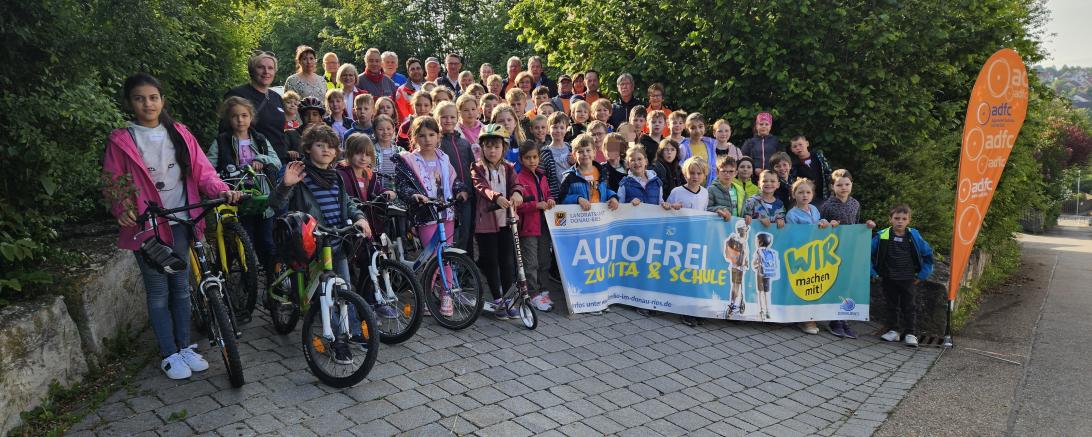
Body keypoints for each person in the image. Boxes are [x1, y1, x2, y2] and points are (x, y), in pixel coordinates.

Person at [103, 73, 241, 380]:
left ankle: (185, 346)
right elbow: (113, 180)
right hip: (147, 227)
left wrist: (220, 189)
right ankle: (168, 352)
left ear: (162, 100)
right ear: (129, 103)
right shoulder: (122, 139)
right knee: (157, 292)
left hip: (181, 220)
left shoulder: (179, 132)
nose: (147, 104)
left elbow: (203, 170)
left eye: (153, 97)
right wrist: (121, 206)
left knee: (180, 289)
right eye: (140, 98)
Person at [271, 125, 372, 363]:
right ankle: (337, 341)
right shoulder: (299, 174)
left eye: (331, 146)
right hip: (310, 242)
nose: (326, 150)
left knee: (345, 290)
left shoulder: (336, 176)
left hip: (337, 240)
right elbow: (275, 204)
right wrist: (285, 185)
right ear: (307, 148)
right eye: (319, 145)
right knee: (323, 294)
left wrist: (359, 217)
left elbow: (347, 203)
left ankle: (353, 332)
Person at [392, 116, 469, 316]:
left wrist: (460, 190)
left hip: (446, 213)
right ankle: (427, 292)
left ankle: (446, 294)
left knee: (447, 255)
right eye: (422, 135)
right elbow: (402, 185)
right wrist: (413, 195)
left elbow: (453, 179)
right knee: (432, 256)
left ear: (438, 136)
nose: (427, 139)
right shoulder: (409, 160)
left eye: (432, 135)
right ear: (415, 137)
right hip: (426, 214)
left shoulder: (443, 157)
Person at [207, 97, 282, 271]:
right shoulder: (221, 141)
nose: (240, 120)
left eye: (244, 115)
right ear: (228, 118)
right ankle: (245, 277)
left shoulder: (260, 139)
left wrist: (261, 159)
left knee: (267, 242)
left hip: (262, 196)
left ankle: (272, 282)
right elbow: (208, 168)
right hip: (236, 198)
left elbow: (276, 161)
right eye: (235, 116)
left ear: (251, 117)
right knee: (242, 241)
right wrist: (217, 180)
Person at [470, 124, 526, 319]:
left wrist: (518, 193)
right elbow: (481, 187)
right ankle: (497, 298)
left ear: (504, 148)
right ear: (482, 148)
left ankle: (509, 298)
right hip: (486, 222)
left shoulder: (508, 168)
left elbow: (516, 184)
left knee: (507, 261)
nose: (492, 150)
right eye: (488, 146)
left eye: (496, 146)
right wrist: (496, 197)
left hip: (507, 221)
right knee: (491, 260)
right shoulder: (477, 167)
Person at [820, 169, 875, 338]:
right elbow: (820, 229)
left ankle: (844, 318)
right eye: (839, 185)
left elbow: (855, 224)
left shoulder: (855, 204)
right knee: (835, 282)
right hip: (833, 250)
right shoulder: (827, 206)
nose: (843, 187)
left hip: (849, 249)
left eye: (847, 184)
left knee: (847, 282)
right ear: (832, 187)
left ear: (851, 185)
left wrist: (866, 227)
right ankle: (834, 319)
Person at [872, 204, 934, 348]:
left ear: (909, 220)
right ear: (890, 219)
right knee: (891, 305)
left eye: (904, 219)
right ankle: (893, 330)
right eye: (896, 218)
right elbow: (868, 253)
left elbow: (928, 255)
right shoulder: (882, 235)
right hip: (888, 277)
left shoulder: (914, 235)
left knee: (909, 306)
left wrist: (923, 275)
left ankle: (910, 333)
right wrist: (873, 273)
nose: (900, 221)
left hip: (908, 278)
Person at [662, 156, 710, 326]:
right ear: (685, 173)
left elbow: (705, 214)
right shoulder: (676, 192)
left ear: (704, 175)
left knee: (693, 275)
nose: (695, 176)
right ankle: (682, 309)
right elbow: (665, 209)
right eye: (691, 173)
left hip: (696, 241)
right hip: (679, 240)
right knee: (680, 273)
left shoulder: (705, 193)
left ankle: (693, 308)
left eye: (699, 173)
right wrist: (670, 208)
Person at [785, 178, 831, 334]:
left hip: (816, 254)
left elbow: (819, 224)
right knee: (803, 286)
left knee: (814, 286)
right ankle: (806, 320)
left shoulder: (814, 209)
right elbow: (794, 234)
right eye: (800, 192)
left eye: (808, 192)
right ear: (794, 195)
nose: (804, 195)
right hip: (802, 254)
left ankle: (811, 316)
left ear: (812, 195)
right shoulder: (792, 214)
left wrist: (824, 222)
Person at [514, 142, 557, 312]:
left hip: (544, 225)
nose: (532, 161)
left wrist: (551, 198)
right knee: (530, 263)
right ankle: (532, 294)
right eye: (528, 158)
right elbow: (517, 205)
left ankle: (542, 290)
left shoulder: (542, 176)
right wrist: (535, 205)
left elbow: (547, 193)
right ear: (521, 159)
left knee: (544, 260)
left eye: (535, 157)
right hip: (528, 227)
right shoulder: (518, 178)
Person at [226, 51, 288, 162]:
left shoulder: (276, 97)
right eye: (261, 67)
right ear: (252, 70)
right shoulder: (238, 95)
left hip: (279, 161)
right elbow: (226, 131)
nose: (266, 72)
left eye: (270, 68)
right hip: (253, 162)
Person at [435, 101, 476, 254]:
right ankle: (450, 270)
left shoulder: (464, 143)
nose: (448, 120)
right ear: (437, 118)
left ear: (457, 118)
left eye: (452, 117)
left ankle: (467, 269)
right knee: (451, 235)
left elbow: (472, 169)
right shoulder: (436, 143)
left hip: (466, 197)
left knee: (466, 233)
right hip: (446, 198)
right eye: (444, 117)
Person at [559, 133, 620, 211]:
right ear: (574, 155)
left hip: (600, 216)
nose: (585, 154)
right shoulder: (569, 176)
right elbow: (562, 198)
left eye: (588, 150)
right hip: (581, 218)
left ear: (594, 152)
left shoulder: (602, 171)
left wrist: (613, 197)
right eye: (580, 151)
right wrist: (578, 199)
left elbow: (606, 189)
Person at [788, 135, 833, 204]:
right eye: (795, 146)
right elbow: (792, 181)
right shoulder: (793, 164)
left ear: (807, 144)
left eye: (800, 145)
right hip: (806, 197)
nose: (798, 148)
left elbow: (828, 171)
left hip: (823, 193)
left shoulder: (818, 156)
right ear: (792, 150)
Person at [284, 96, 327, 161]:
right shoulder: (290, 134)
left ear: (321, 118)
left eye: (315, 114)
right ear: (301, 117)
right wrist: (288, 153)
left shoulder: (326, 136)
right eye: (306, 114)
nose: (310, 118)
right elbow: (280, 153)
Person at [679, 112, 717, 185]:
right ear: (687, 130)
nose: (697, 130)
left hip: (709, 188)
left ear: (705, 127)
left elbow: (714, 167)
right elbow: (682, 170)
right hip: (690, 189)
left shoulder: (710, 145)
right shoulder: (684, 147)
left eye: (700, 126)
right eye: (693, 128)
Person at [541, 112, 571, 201]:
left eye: (562, 128)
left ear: (566, 129)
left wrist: (575, 163)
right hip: (555, 195)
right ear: (548, 129)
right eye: (554, 127)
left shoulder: (571, 148)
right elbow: (544, 176)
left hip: (572, 193)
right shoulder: (545, 152)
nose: (558, 130)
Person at [740, 112, 781, 177]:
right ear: (756, 126)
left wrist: (773, 170)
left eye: (766, 124)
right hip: (753, 176)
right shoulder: (749, 142)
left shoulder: (776, 141)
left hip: (772, 176)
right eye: (761, 124)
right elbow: (743, 158)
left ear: (770, 127)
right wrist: (753, 169)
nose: (764, 126)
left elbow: (780, 159)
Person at [372, 115, 404, 191]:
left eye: (388, 129)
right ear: (375, 131)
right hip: (377, 194)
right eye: (381, 129)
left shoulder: (401, 151)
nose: (385, 132)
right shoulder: (370, 150)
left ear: (393, 130)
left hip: (398, 195)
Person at [394, 57, 427, 124]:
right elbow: (404, 115)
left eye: (418, 68)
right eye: (412, 69)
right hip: (412, 127)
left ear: (422, 70)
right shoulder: (402, 91)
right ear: (408, 72)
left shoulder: (431, 87)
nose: (416, 71)